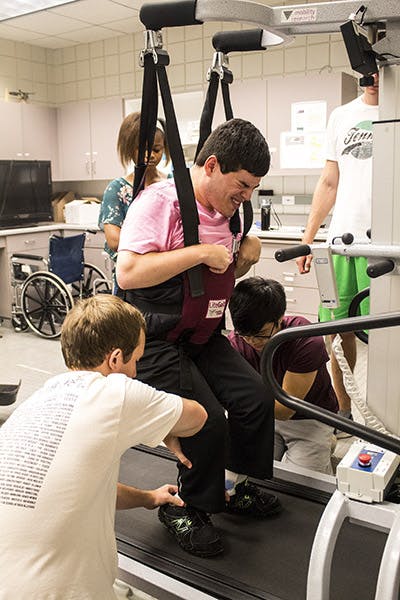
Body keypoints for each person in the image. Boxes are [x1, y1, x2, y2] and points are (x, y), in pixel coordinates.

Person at [116, 118, 281, 558]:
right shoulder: (160, 202)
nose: (246, 196)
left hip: (204, 333)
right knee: (205, 418)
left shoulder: (229, 212)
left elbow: (220, 274)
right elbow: (127, 271)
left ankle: (233, 488)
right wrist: (200, 253)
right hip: (156, 339)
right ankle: (186, 507)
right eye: (242, 185)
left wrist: (247, 254)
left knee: (254, 399)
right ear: (211, 166)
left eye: (253, 188)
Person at [0, 295, 207, 599]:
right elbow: (198, 417)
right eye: (136, 360)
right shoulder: (115, 391)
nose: (136, 371)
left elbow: (80, 486)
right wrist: (166, 426)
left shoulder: (40, 398)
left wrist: (148, 498)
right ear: (115, 359)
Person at [296, 74, 379, 425]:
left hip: (387, 249)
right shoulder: (342, 116)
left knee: (387, 337)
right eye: (368, 72)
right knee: (337, 336)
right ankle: (344, 413)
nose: (373, 79)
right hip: (342, 244)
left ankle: (385, 420)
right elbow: (330, 182)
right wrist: (307, 238)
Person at [228, 277, 339, 474]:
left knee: (304, 485)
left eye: (260, 333)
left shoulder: (305, 339)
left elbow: (285, 410)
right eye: (245, 334)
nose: (252, 341)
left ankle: (325, 441)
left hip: (309, 419)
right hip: (263, 418)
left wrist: (239, 400)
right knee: (249, 474)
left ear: (280, 319)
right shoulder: (236, 342)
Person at [99, 111, 170, 263]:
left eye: (156, 150)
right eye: (142, 149)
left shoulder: (172, 184)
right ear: (129, 148)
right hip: (132, 272)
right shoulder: (117, 190)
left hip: (168, 272)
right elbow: (114, 241)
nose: (150, 154)